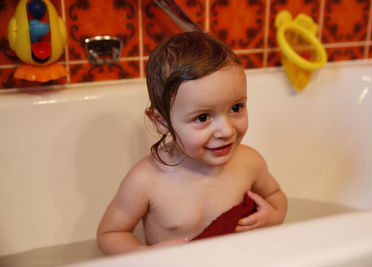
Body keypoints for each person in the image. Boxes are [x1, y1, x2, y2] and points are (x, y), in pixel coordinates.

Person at [97, 31, 287, 255]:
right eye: (203, 117)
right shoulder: (146, 180)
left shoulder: (249, 163)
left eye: (236, 108)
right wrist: (145, 255)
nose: (226, 131)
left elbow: (275, 196)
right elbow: (110, 234)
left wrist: (273, 217)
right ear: (162, 122)